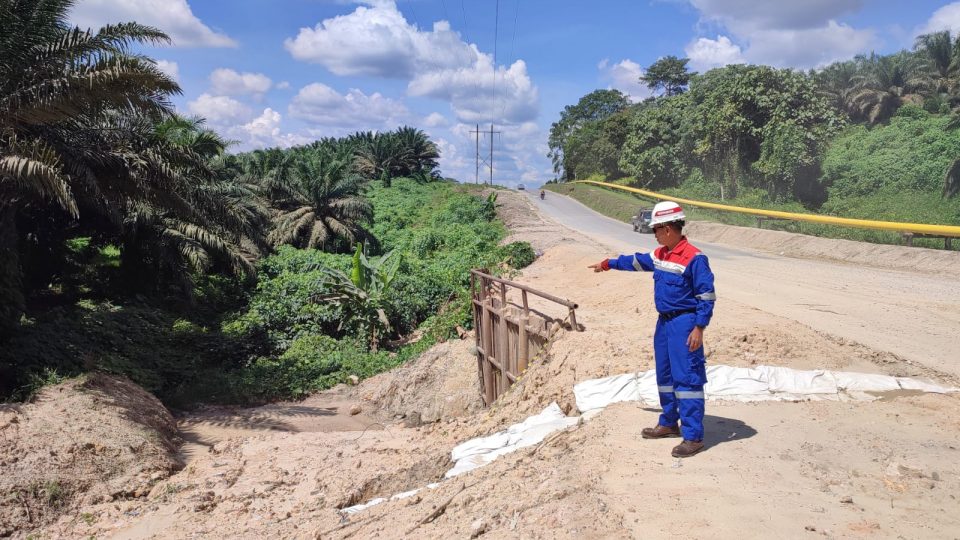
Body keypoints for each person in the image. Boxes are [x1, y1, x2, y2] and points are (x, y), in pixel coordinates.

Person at [588, 201, 716, 458]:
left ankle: (693, 437)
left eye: (656, 229)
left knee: (687, 379)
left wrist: (699, 327)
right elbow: (636, 261)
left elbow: (706, 295)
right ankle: (669, 422)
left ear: (668, 229)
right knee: (666, 376)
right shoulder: (662, 255)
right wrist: (609, 263)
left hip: (685, 323)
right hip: (665, 323)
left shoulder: (695, 258)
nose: (654, 234)